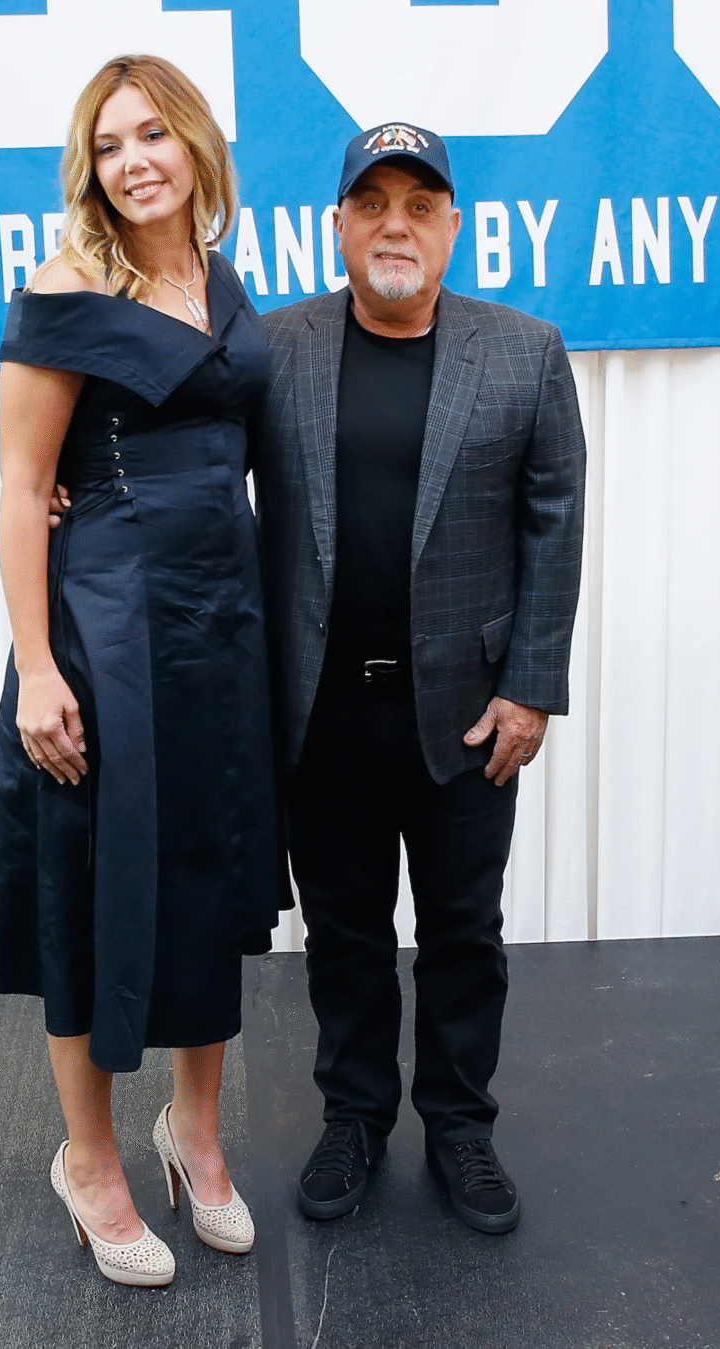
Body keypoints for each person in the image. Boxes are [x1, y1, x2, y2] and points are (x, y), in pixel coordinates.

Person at [0, 54, 288, 1287]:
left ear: (195, 145)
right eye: (108, 144)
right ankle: (89, 1158)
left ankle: (193, 1132)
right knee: (92, 884)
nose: (134, 160)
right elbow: (18, 486)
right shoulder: (63, 290)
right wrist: (38, 666)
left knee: (214, 869)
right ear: (88, 170)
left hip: (223, 627)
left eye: (153, 133)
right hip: (106, 628)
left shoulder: (222, 280)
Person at [253, 123, 586, 1232]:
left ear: (452, 227)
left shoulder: (525, 350)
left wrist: (531, 687)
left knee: (462, 932)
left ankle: (459, 1126)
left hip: (469, 712)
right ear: (337, 225)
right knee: (344, 932)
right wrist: (90, 487)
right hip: (322, 712)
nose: (393, 224)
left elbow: (554, 521)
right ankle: (354, 1116)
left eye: (418, 205)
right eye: (371, 203)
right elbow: (196, 472)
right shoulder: (275, 348)